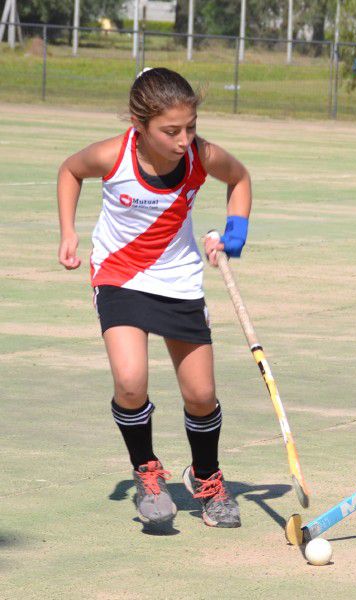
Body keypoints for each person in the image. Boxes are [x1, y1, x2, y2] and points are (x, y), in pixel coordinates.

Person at [57, 67, 252, 529]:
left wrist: (234, 236)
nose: (184, 139)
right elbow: (70, 170)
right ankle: (146, 471)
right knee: (130, 382)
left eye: (191, 127)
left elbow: (240, 179)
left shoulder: (200, 156)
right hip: (119, 276)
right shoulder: (112, 154)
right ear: (139, 125)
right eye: (171, 131)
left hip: (179, 279)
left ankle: (205, 477)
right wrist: (68, 230)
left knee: (201, 395)